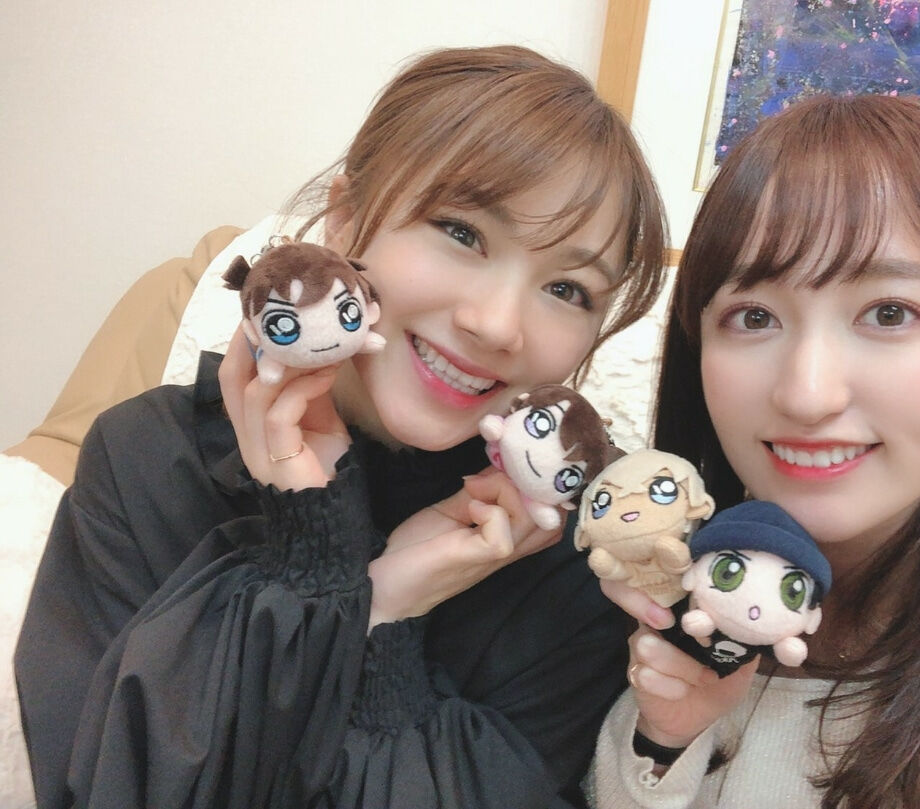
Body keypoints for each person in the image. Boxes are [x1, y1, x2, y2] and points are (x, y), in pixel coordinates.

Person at [15, 45, 668, 809]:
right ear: (346, 216)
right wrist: (337, 574)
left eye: (567, 289)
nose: (496, 324)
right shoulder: (147, 461)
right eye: (462, 232)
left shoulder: (580, 551)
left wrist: (383, 624)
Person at [589, 93, 920, 808]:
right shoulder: (671, 591)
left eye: (889, 312)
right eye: (754, 316)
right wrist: (664, 740)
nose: (807, 394)